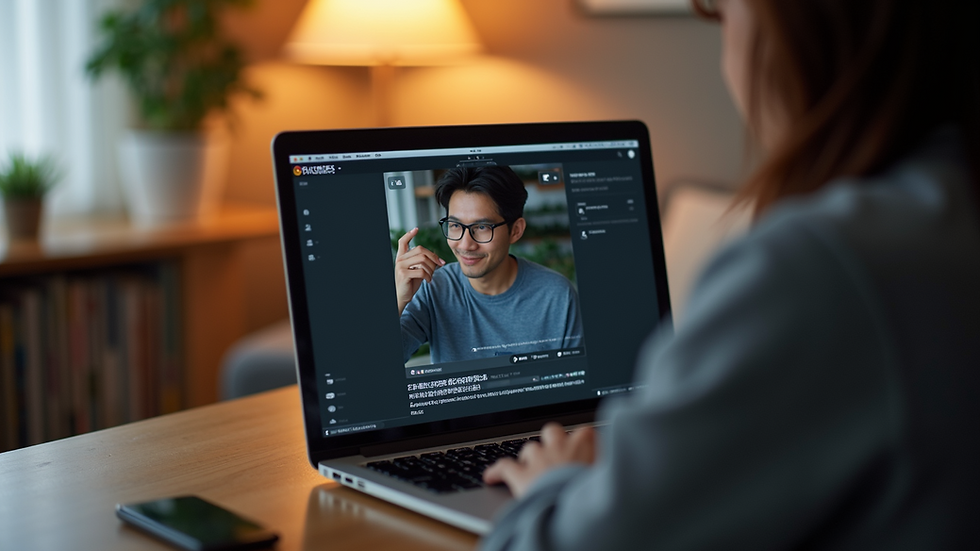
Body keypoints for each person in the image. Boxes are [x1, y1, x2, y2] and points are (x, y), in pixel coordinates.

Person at [479, 0, 980, 549]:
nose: (727, 62)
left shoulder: (813, 265)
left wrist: (557, 486)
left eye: (724, 14)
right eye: (454, 229)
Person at [395, 166, 584, 364]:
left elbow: (575, 378)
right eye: (455, 225)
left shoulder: (557, 296)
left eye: (483, 227)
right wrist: (398, 300)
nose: (465, 244)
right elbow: (378, 368)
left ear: (516, 230)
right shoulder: (434, 288)